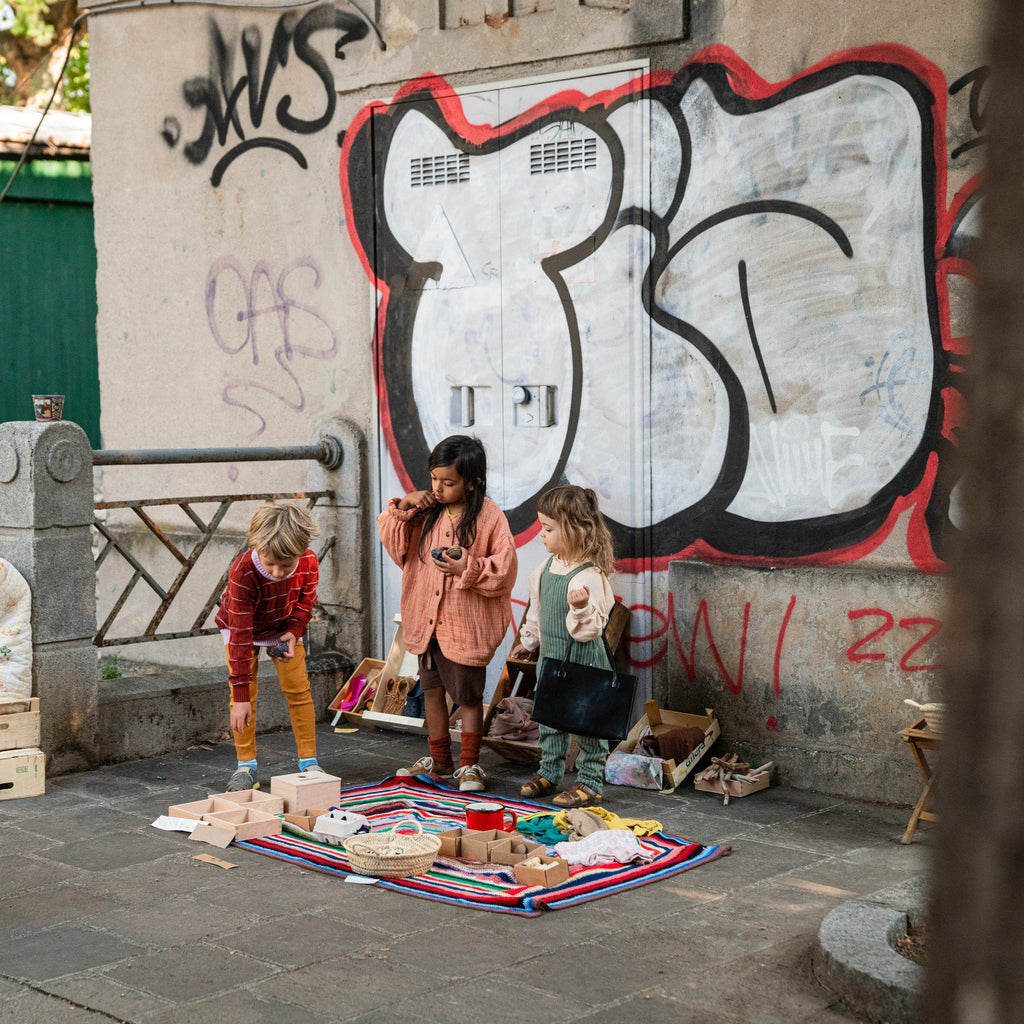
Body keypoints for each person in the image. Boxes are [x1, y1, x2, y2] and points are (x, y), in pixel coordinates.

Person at [378, 435, 517, 792]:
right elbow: (394, 542)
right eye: (434, 479)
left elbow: (504, 570)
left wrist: (466, 569)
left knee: (469, 697)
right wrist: (404, 504)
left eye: (449, 482)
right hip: (427, 622)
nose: (438, 488)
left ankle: (470, 765)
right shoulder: (425, 513)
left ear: (473, 482)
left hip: (464, 627)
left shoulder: (490, 518)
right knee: (432, 692)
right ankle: (440, 759)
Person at [509, 485, 617, 808]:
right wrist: (527, 644)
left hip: (585, 661)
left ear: (572, 530)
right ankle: (549, 772)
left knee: (588, 725)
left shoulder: (591, 576)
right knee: (551, 719)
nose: (541, 534)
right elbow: (537, 614)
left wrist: (582, 607)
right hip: (551, 659)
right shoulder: (543, 571)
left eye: (548, 528)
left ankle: (590, 781)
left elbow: (592, 629)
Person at [216, 502, 325, 791]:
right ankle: (246, 767)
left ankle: (309, 762)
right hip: (243, 629)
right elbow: (239, 634)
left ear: (301, 553)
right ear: (257, 545)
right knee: (244, 697)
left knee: (299, 690)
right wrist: (239, 695)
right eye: (270, 562)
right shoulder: (244, 572)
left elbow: (306, 602)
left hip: (283, 627)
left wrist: (294, 630)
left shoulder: (309, 562)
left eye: (286, 565)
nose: (277, 572)